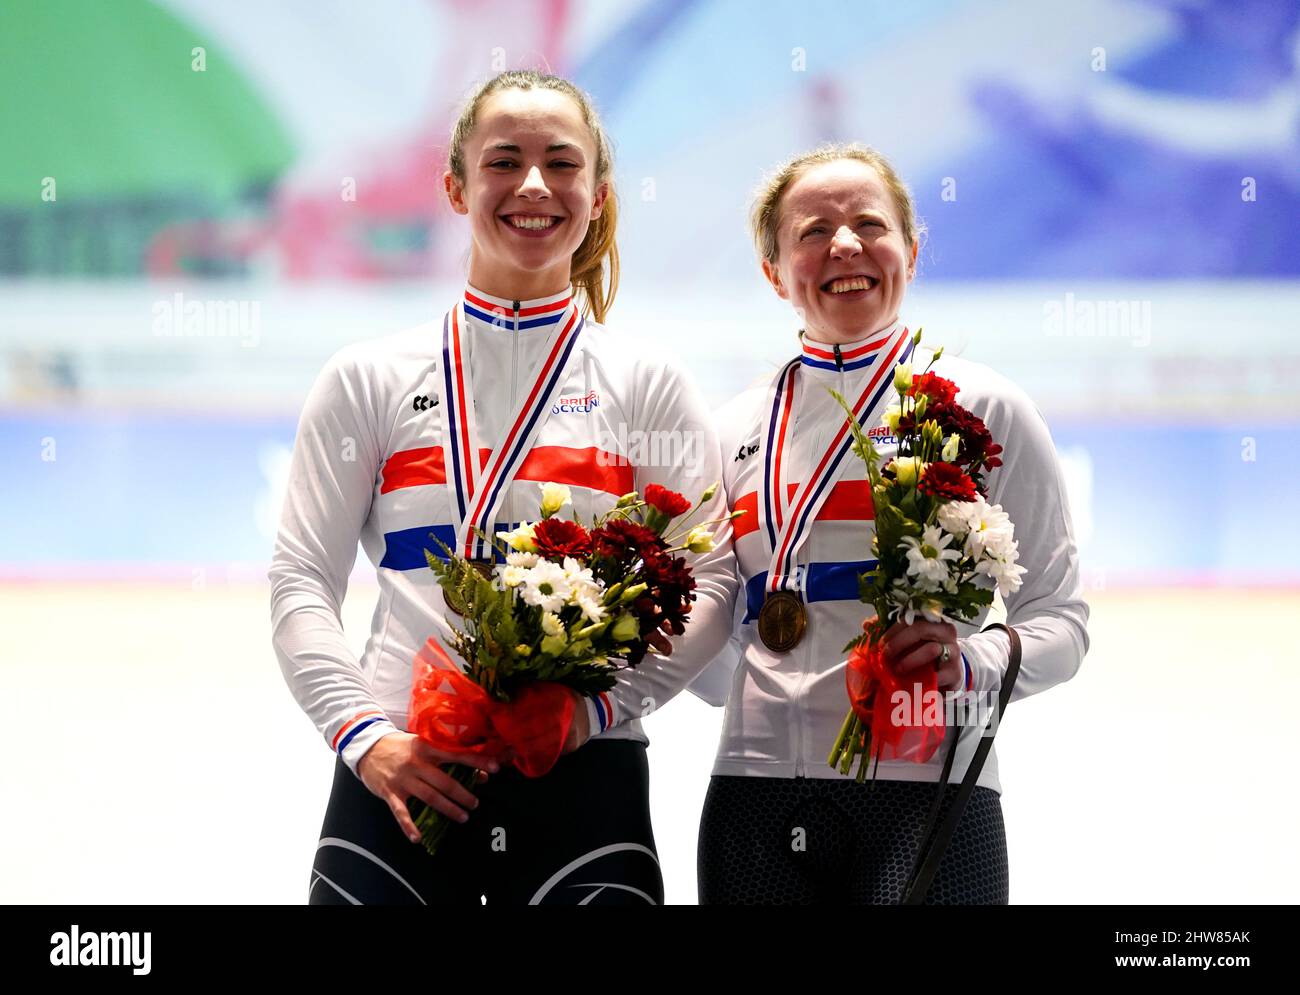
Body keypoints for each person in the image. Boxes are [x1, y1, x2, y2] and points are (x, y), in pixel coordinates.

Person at [268, 69, 738, 905]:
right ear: (455, 187)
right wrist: (365, 734)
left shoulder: (647, 382)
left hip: (585, 780)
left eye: (562, 164)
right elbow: (302, 580)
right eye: (503, 161)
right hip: (401, 776)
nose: (533, 186)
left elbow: (710, 582)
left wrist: (592, 713)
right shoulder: (367, 378)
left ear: (596, 196)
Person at [695, 144, 1090, 905]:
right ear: (774, 271)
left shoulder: (987, 410)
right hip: (755, 789)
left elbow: (1063, 622)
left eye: (868, 223)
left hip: (930, 787)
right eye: (812, 231)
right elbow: (711, 654)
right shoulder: (728, 433)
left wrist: (970, 665)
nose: (843, 244)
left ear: (910, 249)